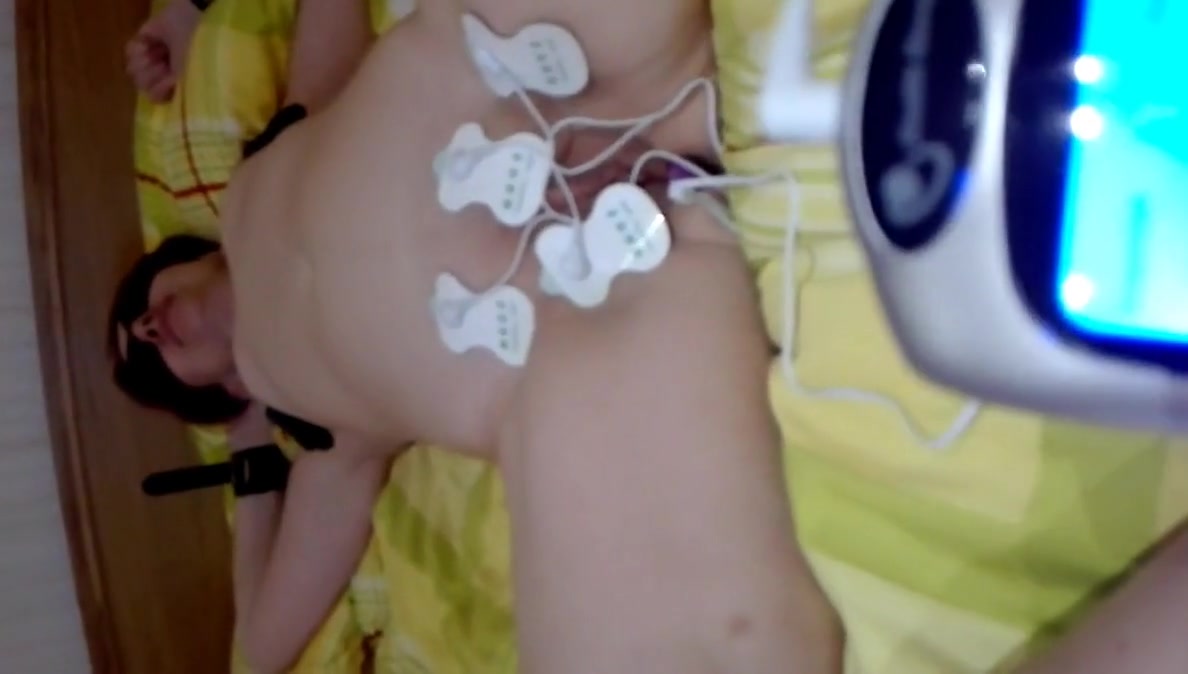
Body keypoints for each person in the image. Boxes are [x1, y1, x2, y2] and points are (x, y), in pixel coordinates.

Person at [115, 1, 1188, 673]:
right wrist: (250, 467)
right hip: (582, 320)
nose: (147, 329)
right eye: (150, 363)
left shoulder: (262, 157)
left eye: (133, 311)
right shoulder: (314, 436)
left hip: (538, 57)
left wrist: (191, 18)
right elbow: (258, 644)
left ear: (168, 258)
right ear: (214, 393)